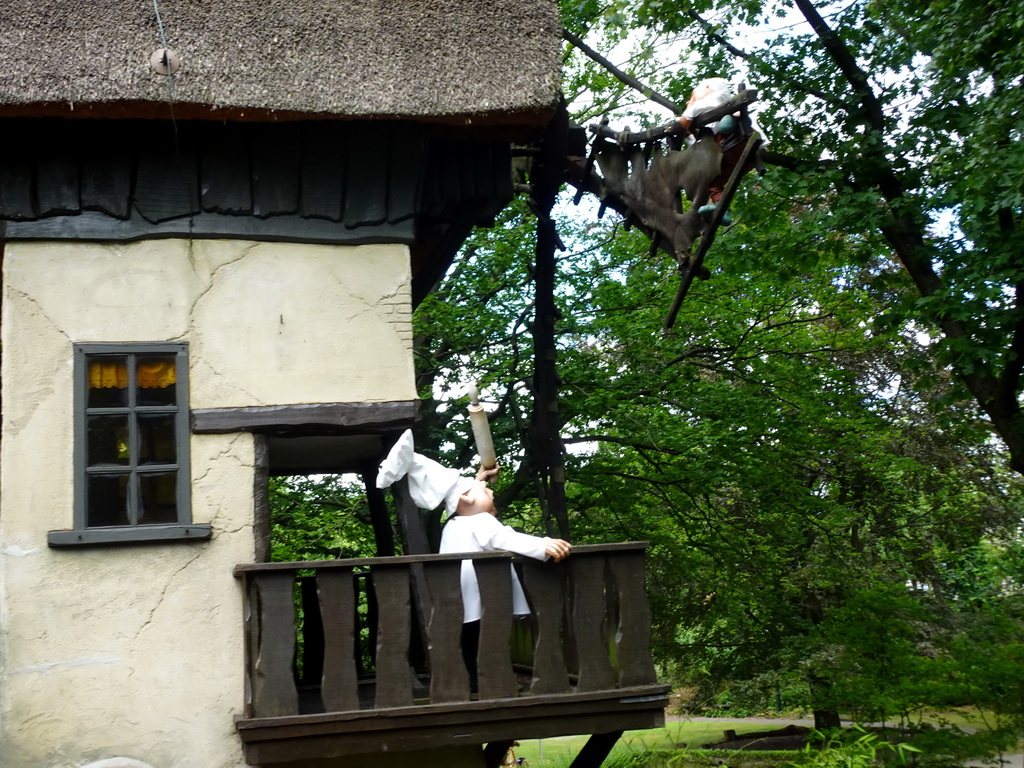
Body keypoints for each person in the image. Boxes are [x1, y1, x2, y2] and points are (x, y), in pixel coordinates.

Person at [376, 430, 572, 689]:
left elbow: (465, 495)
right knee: (491, 639)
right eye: (484, 489)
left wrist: (478, 479)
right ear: (467, 498)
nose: (490, 492)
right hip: (486, 596)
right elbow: (504, 538)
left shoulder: (456, 523)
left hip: (464, 598)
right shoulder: (480, 521)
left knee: (471, 641)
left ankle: (474, 682)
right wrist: (544, 545)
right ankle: (493, 681)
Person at [679, 77, 765, 223]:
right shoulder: (701, 119)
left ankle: (729, 124)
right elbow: (696, 146)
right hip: (730, 157)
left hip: (737, 138)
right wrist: (688, 134)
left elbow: (714, 101)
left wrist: (688, 113)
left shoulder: (720, 96)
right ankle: (722, 210)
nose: (689, 101)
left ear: (708, 87)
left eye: (692, 96)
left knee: (727, 123)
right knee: (712, 182)